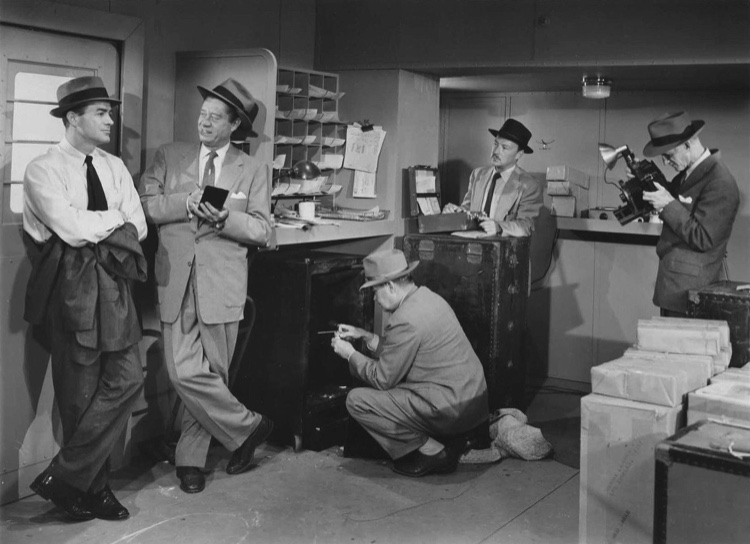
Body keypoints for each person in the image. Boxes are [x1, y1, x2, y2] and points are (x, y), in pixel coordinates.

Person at [139, 78, 274, 494]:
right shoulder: (169, 156)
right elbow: (145, 206)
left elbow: (263, 230)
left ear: (234, 125)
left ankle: (190, 461)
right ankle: (248, 427)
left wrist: (226, 219)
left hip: (223, 283)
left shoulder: (252, 169)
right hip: (176, 279)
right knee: (183, 370)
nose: (205, 122)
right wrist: (185, 202)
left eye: (216, 117)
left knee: (213, 372)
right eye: (203, 114)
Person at [23, 76, 148, 521]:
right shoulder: (42, 169)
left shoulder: (114, 167)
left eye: (108, 112)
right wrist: (113, 221)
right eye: (101, 112)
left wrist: (96, 223)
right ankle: (94, 490)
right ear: (73, 118)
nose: (110, 120)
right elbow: (71, 229)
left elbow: (139, 226)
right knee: (78, 394)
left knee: (128, 379)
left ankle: (65, 478)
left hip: (113, 284)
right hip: (70, 286)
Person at [330, 249, 489, 477]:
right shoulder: (428, 298)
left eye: (375, 290)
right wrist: (366, 336)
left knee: (356, 401)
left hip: (451, 410)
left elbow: (382, 379)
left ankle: (433, 452)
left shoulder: (404, 319)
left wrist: (349, 354)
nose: (374, 298)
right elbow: (402, 352)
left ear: (390, 286)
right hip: (472, 402)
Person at [639, 111, 740, 317]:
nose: (666, 162)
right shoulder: (688, 175)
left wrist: (668, 204)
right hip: (675, 288)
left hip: (691, 293)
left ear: (687, 145)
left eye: (668, 155)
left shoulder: (720, 181)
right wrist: (642, 179)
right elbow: (674, 199)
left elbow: (705, 238)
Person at [443, 118, 543, 237]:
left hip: (502, 247)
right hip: (472, 244)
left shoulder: (530, 185)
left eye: (504, 147)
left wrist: (499, 227)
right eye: (495, 144)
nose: (496, 151)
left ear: (518, 154)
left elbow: (527, 226)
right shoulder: (478, 174)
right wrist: (455, 212)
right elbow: (467, 210)